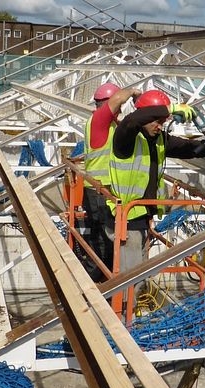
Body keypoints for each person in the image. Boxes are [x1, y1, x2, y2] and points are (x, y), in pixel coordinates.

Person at [106, 89, 205, 303]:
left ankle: (127, 316)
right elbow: (132, 119)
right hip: (124, 216)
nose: (159, 125)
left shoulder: (158, 140)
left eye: (163, 122)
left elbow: (185, 147)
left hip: (141, 215)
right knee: (130, 278)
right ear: (145, 116)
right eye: (155, 120)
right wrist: (172, 108)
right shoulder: (126, 136)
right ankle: (121, 323)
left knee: (137, 273)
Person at [81, 83, 141, 282]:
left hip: (101, 190)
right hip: (99, 191)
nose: (121, 107)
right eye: (118, 103)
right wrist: (132, 92)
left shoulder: (107, 124)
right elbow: (117, 101)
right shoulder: (99, 120)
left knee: (101, 239)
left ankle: (100, 281)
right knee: (102, 242)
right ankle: (93, 283)